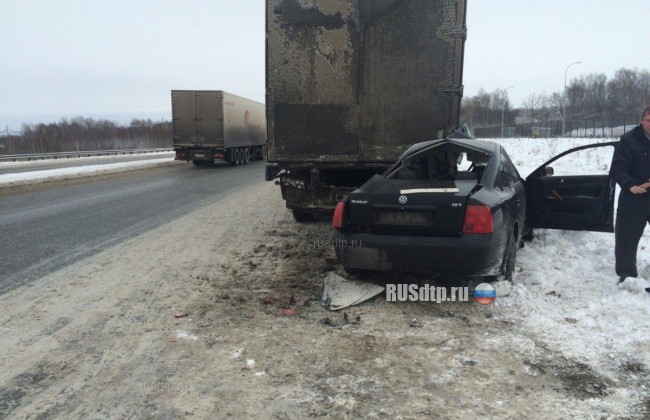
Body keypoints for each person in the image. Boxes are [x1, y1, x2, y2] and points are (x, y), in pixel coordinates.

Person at [609, 105, 650, 292]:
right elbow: (618, 167)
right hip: (634, 197)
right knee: (626, 237)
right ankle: (626, 275)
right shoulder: (628, 140)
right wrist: (630, 185)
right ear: (642, 120)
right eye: (649, 120)